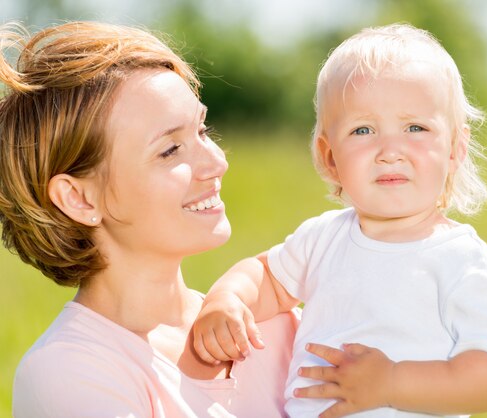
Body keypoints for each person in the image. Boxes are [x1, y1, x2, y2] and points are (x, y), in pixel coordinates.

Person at [193, 23, 487, 418]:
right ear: (329, 157)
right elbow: (265, 276)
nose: (390, 150)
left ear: (456, 148)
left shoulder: (459, 258)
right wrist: (226, 299)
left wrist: (391, 382)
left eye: (415, 128)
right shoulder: (323, 239)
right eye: (363, 130)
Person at [0, 21, 297, 417]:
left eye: (203, 130)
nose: (217, 163)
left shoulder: (277, 324)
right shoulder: (67, 374)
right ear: (78, 198)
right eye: (170, 150)